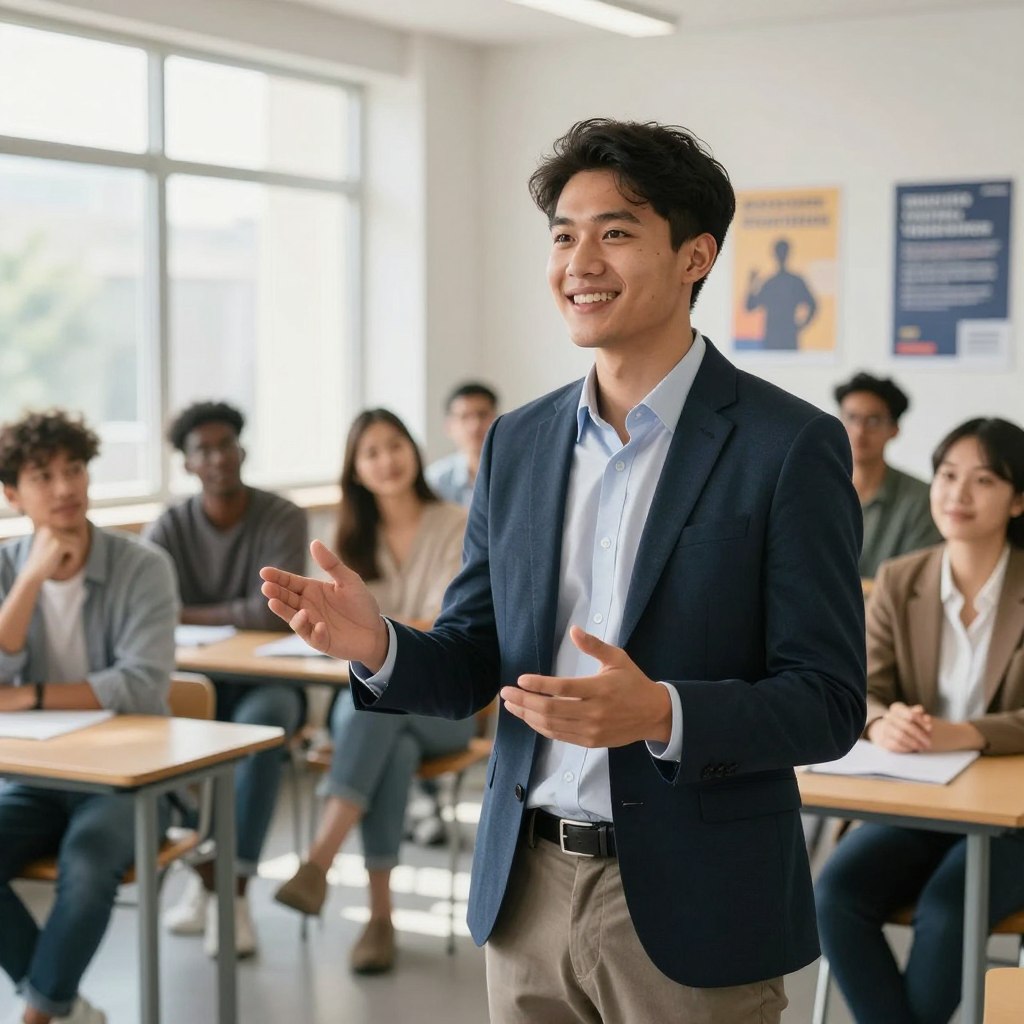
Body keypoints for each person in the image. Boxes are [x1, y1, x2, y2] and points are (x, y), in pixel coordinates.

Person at [262, 118, 866, 1023]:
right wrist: (379, 644)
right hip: (527, 888)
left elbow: (827, 700)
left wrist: (662, 711)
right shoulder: (520, 441)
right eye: (562, 235)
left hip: (692, 898)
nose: (579, 260)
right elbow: (477, 656)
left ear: (695, 255)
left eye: (615, 232)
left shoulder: (788, 447)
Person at [815, 416, 1024, 1024]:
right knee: (834, 895)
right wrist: (882, 721)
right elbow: (865, 688)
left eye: (983, 480)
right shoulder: (902, 578)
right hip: (922, 800)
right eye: (947, 475)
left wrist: (969, 733)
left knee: (948, 909)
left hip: (1010, 817)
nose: (957, 494)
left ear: (1017, 500)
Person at [273, 408, 472, 975]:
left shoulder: (456, 521)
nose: (387, 460)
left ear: (413, 450)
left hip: (447, 706)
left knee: (378, 698)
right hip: (385, 716)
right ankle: (380, 918)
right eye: (371, 452)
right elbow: (354, 637)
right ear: (355, 470)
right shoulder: (346, 539)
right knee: (387, 724)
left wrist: (374, 634)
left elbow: (448, 629)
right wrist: (378, 636)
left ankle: (319, 860)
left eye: (395, 445)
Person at [0, 410, 177, 1024]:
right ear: (11, 494)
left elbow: (140, 684)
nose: (64, 487)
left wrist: (33, 695)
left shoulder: (143, 566)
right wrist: (28, 583)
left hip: (129, 781)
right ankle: (61, 1002)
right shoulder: (4, 568)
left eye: (74, 469)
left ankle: (38, 1016)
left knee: (87, 861)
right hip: (38, 778)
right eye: (42, 475)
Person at [145, 401, 307, 958]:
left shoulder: (281, 515)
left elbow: (273, 611)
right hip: (195, 683)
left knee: (262, 731)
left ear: (243, 449)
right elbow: (150, 608)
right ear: (187, 464)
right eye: (202, 450)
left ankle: (231, 893)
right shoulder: (169, 525)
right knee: (154, 738)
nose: (217, 458)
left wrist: (190, 611)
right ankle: (207, 876)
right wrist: (222, 610)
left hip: (269, 679)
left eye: (225, 445)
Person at [834, 371, 940, 578]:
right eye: (851, 418)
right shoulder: (814, 491)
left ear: (894, 429)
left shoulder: (921, 498)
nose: (859, 430)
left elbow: (917, 579)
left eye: (872, 421)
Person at [426, 382, 499, 507]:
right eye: (464, 417)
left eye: (482, 415)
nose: (475, 425)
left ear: (497, 420)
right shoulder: (435, 480)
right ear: (448, 426)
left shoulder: (518, 473)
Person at [745, 237, 817, 350]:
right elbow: (750, 307)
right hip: (772, 338)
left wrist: (802, 326)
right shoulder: (771, 282)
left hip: (787, 337)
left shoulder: (794, 281)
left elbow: (813, 305)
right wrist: (752, 284)